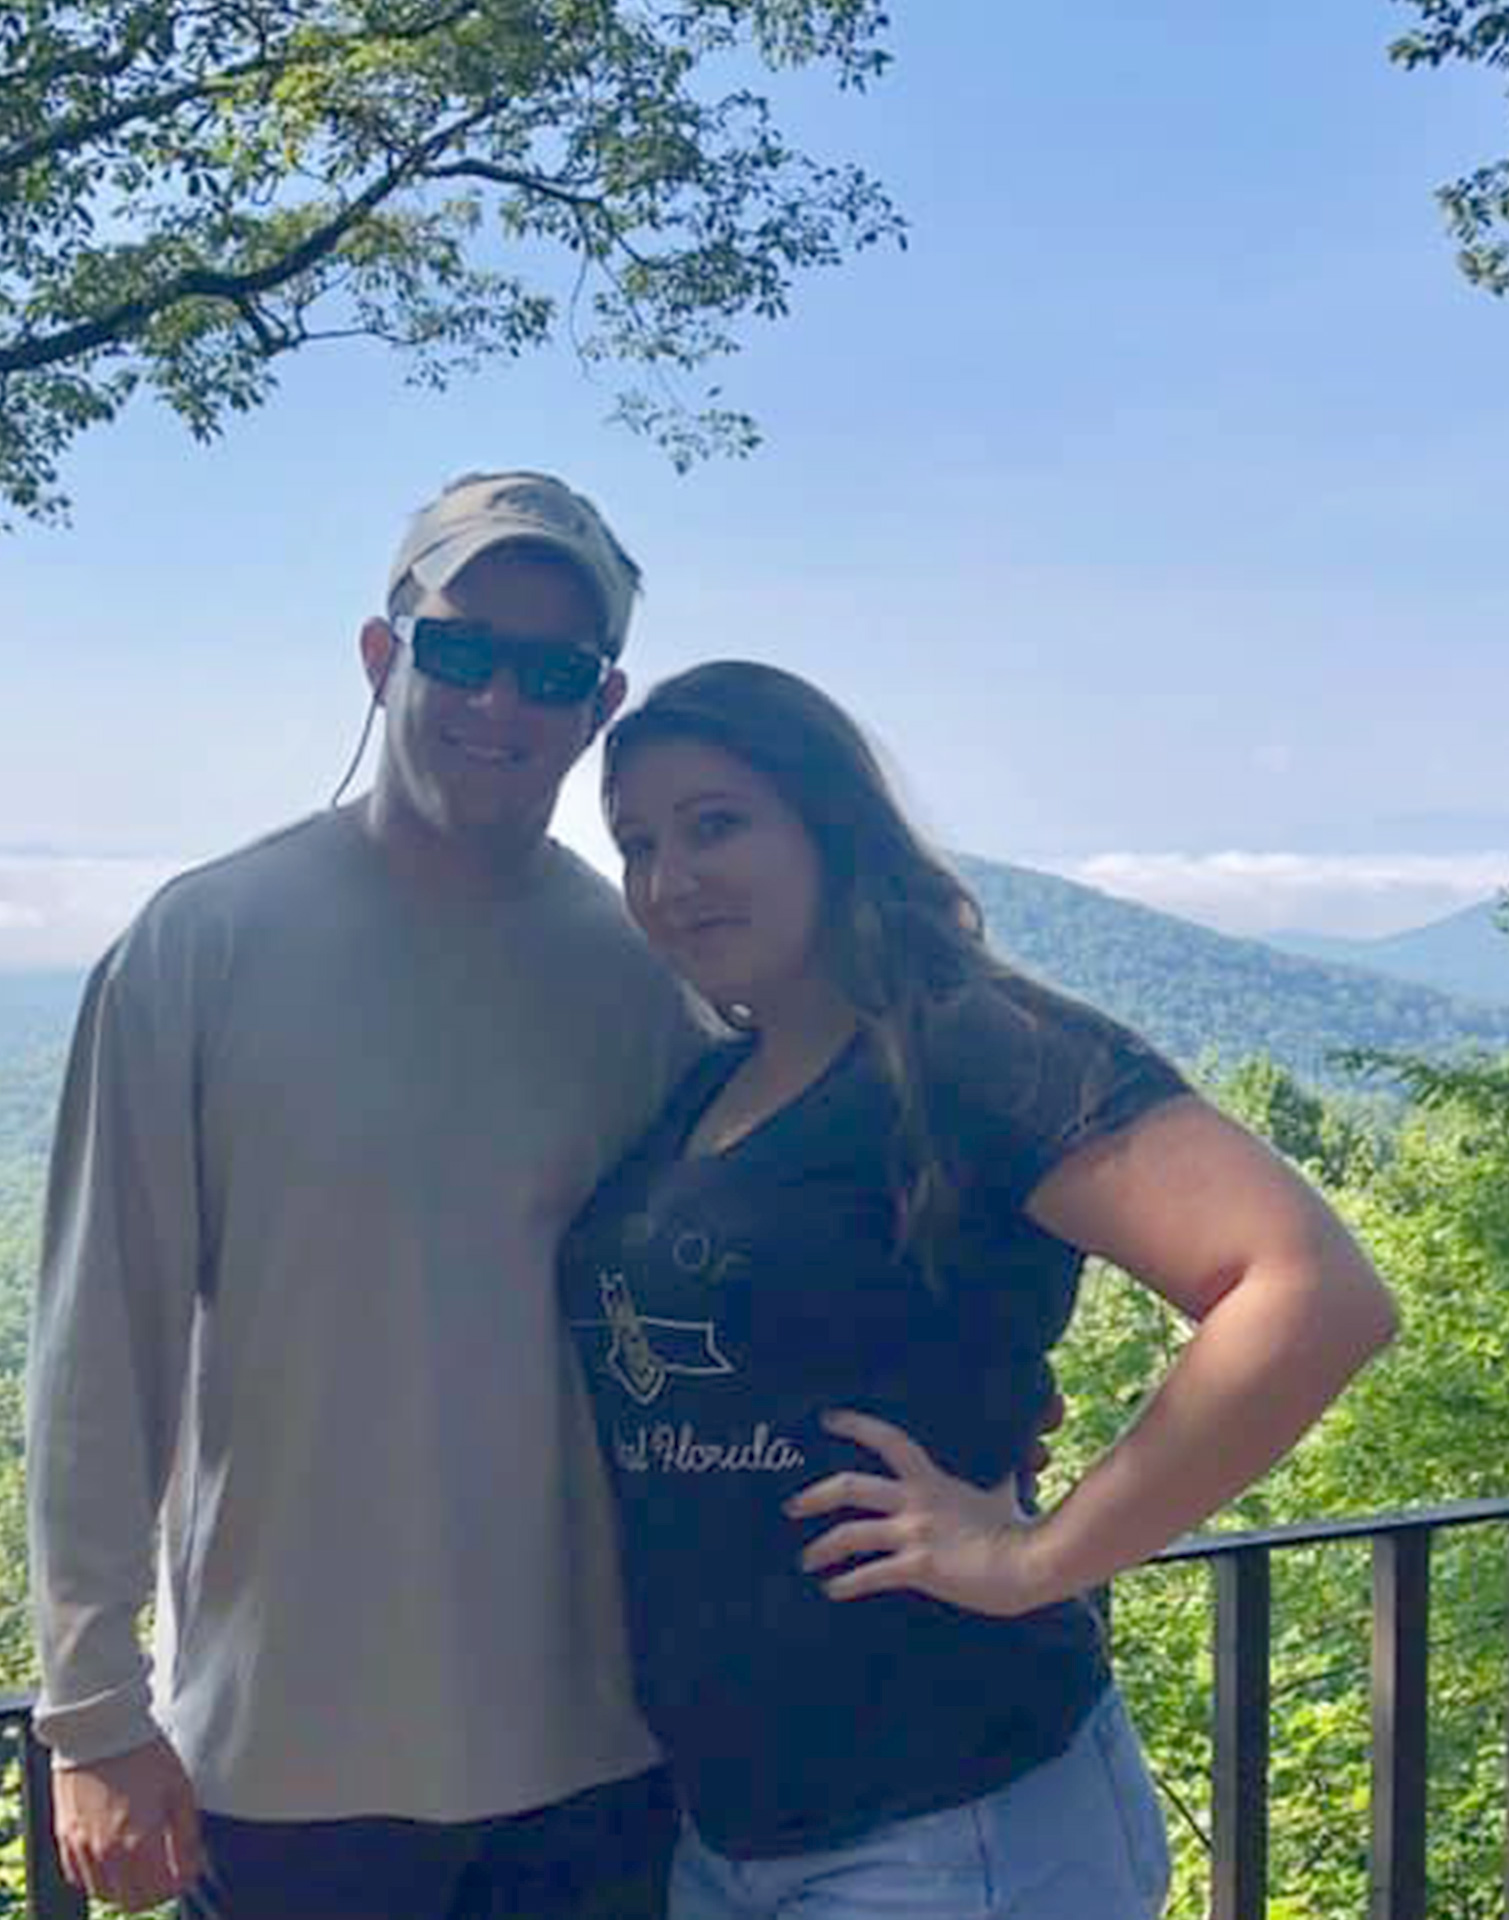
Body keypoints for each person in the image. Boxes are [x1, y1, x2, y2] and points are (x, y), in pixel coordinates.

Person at [564, 661, 1401, 1919]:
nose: (670, 878)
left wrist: (1033, 1559)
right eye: (636, 843)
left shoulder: (961, 1046)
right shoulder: (706, 1087)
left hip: (956, 1822)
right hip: (732, 1829)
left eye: (716, 823)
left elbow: (1310, 1289)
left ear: (828, 825)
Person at [25, 471, 705, 1918]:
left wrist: (963, 1393)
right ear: (383, 653)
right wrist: (91, 1715)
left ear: (600, 707)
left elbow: (761, 1278)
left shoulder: (646, 981)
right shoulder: (202, 948)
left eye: (551, 673)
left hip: (597, 1755)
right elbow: (100, 1354)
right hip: (284, 1766)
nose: (500, 704)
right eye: (462, 650)